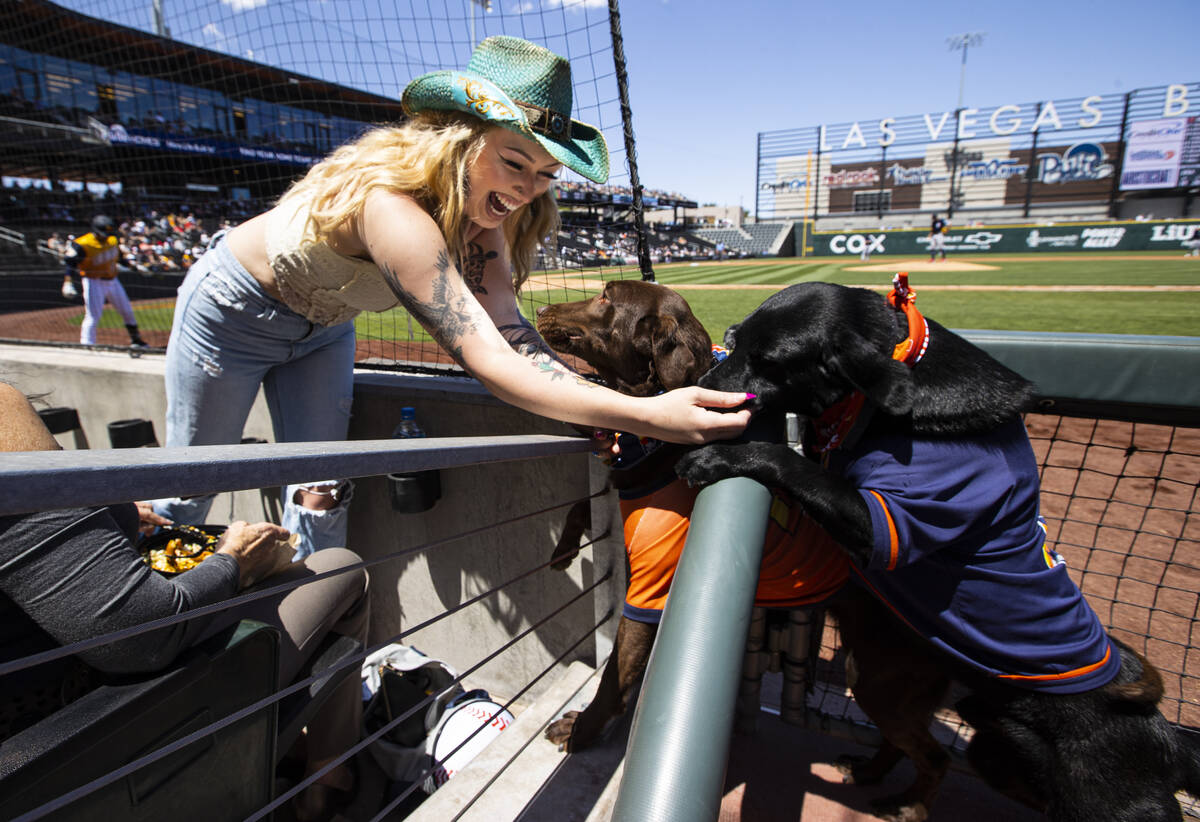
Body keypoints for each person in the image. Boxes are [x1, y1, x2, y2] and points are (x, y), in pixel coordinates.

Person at [152, 36, 750, 557]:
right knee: (194, 483)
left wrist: (589, 399)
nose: (526, 189)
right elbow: (489, 363)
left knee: (322, 485)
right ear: (458, 140)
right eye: (515, 161)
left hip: (326, 330)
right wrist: (649, 415)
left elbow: (513, 337)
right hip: (232, 316)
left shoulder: (481, 217)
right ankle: (149, 621)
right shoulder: (392, 209)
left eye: (545, 175)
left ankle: (309, 622)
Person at [0, 382, 368, 820]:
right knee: (341, 568)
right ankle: (326, 780)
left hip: (43, 736)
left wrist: (106, 519)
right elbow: (140, 633)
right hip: (80, 736)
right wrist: (236, 562)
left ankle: (285, 750)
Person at [63, 215, 148, 347]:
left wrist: (135, 267)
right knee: (93, 315)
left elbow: (119, 258)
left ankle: (136, 340)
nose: (106, 236)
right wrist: (68, 282)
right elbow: (70, 263)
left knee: (127, 311)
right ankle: (87, 345)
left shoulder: (112, 240)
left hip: (113, 281)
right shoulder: (83, 244)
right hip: (93, 282)